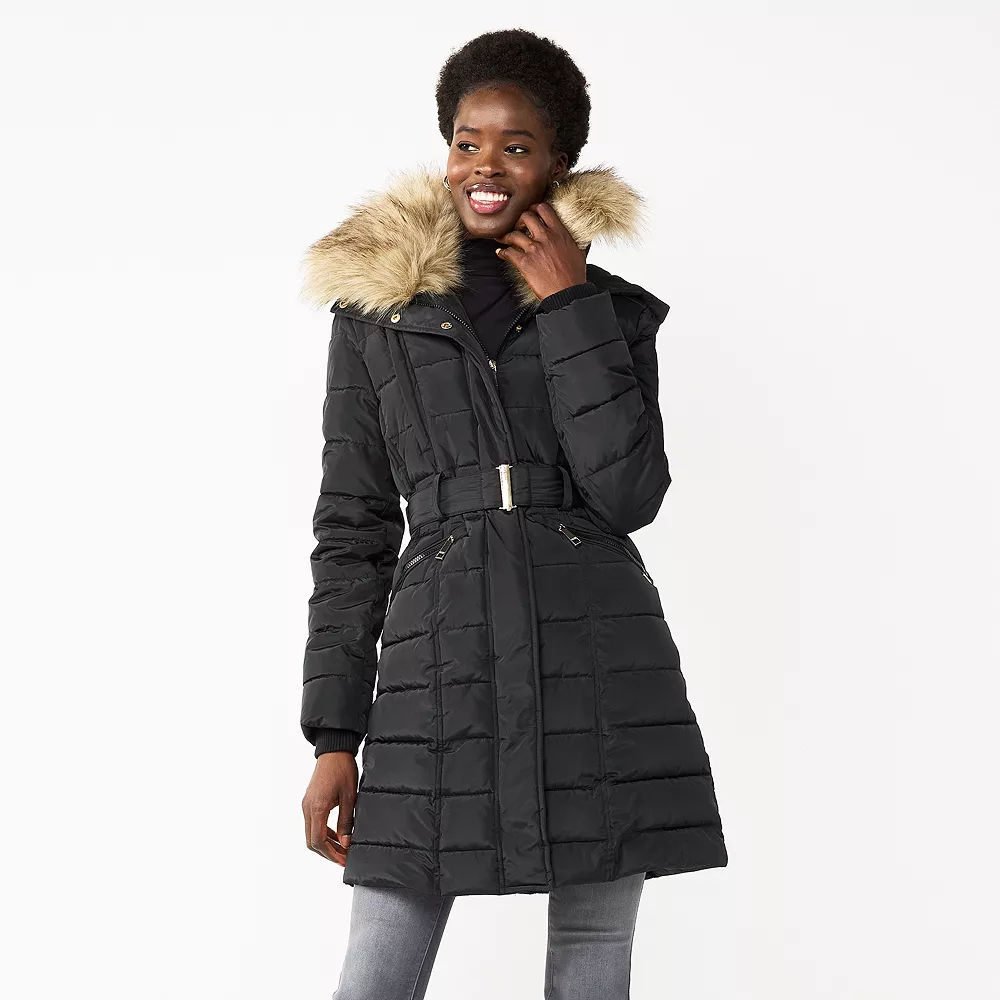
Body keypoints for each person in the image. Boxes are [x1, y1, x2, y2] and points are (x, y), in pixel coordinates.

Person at [298, 28, 728, 1000]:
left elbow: (629, 493)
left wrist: (570, 306)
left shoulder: (610, 310)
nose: (484, 166)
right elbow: (352, 530)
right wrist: (333, 736)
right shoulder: (375, 316)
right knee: (378, 966)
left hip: (598, 661)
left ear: (558, 162)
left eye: (516, 146)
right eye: (466, 141)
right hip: (432, 666)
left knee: (591, 958)